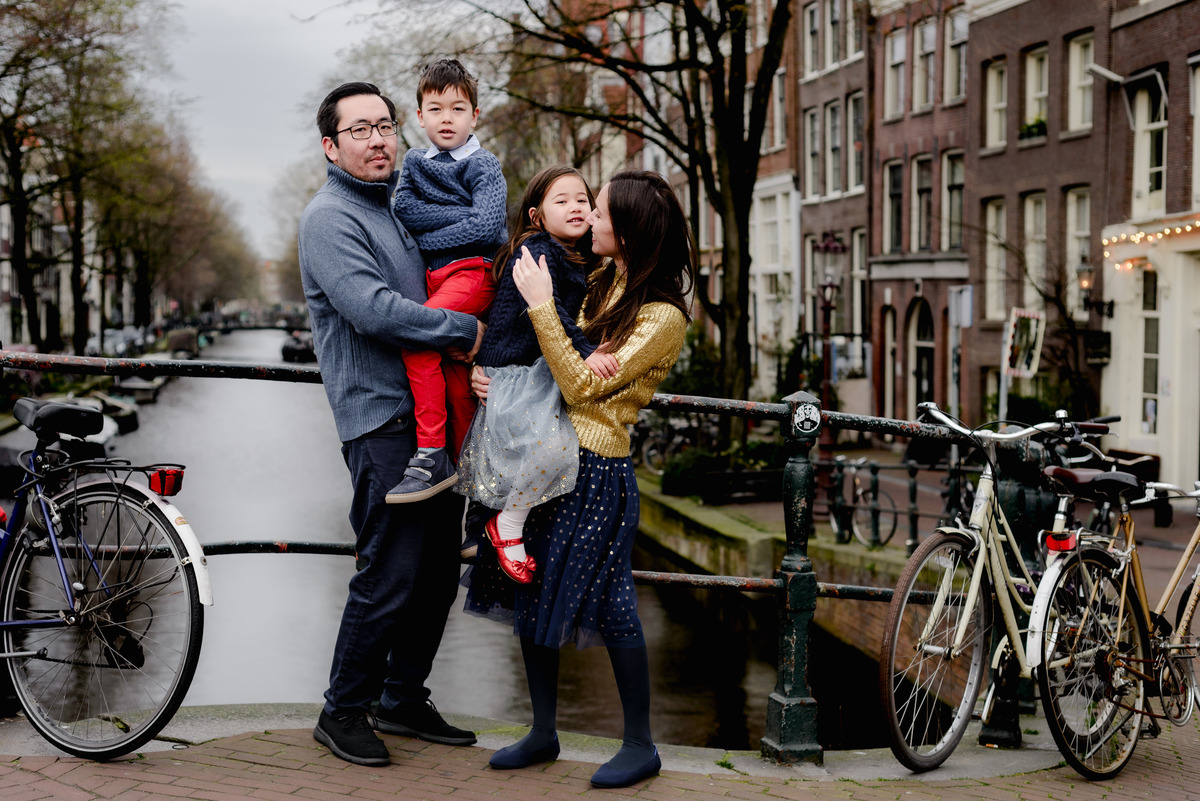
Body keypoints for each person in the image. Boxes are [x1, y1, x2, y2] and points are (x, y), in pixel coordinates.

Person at [468, 170, 696, 789]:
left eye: (599, 212)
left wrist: (542, 307)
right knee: (530, 594)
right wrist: (487, 374)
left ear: (626, 229)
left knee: (615, 601)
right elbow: (535, 353)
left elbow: (583, 383)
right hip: (545, 459)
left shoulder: (662, 316)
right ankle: (543, 730)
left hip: (598, 469)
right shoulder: (597, 279)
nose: (589, 219)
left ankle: (641, 743)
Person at [298, 81, 483, 768]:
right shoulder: (329, 219)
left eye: (384, 126)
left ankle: (403, 695)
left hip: (432, 423)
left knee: (437, 572)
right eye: (360, 130)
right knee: (390, 571)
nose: (378, 140)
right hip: (381, 422)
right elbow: (375, 310)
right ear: (330, 145)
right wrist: (465, 327)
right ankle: (342, 707)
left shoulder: (395, 208)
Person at [455, 165, 617, 583]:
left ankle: (486, 531)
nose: (575, 207)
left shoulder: (576, 256)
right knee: (544, 450)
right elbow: (547, 310)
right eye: (560, 201)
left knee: (512, 455)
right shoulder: (540, 251)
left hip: (526, 370)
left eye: (582, 199)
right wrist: (586, 352)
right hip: (511, 371)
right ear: (537, 216)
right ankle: (502, 529)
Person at [385, 58, 507, 504]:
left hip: (472, 273)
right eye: (435, 110)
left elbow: (487, 229)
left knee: (416, 335)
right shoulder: (415, 163)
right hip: (435, 279)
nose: (446, 119)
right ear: (419, 117)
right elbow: (404, 212)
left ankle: (431, 451)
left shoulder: (484, 165)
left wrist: (461, 225)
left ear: (475, 115)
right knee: (459, 382)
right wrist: (466, 216)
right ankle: (475, 496)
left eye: (457, 109)